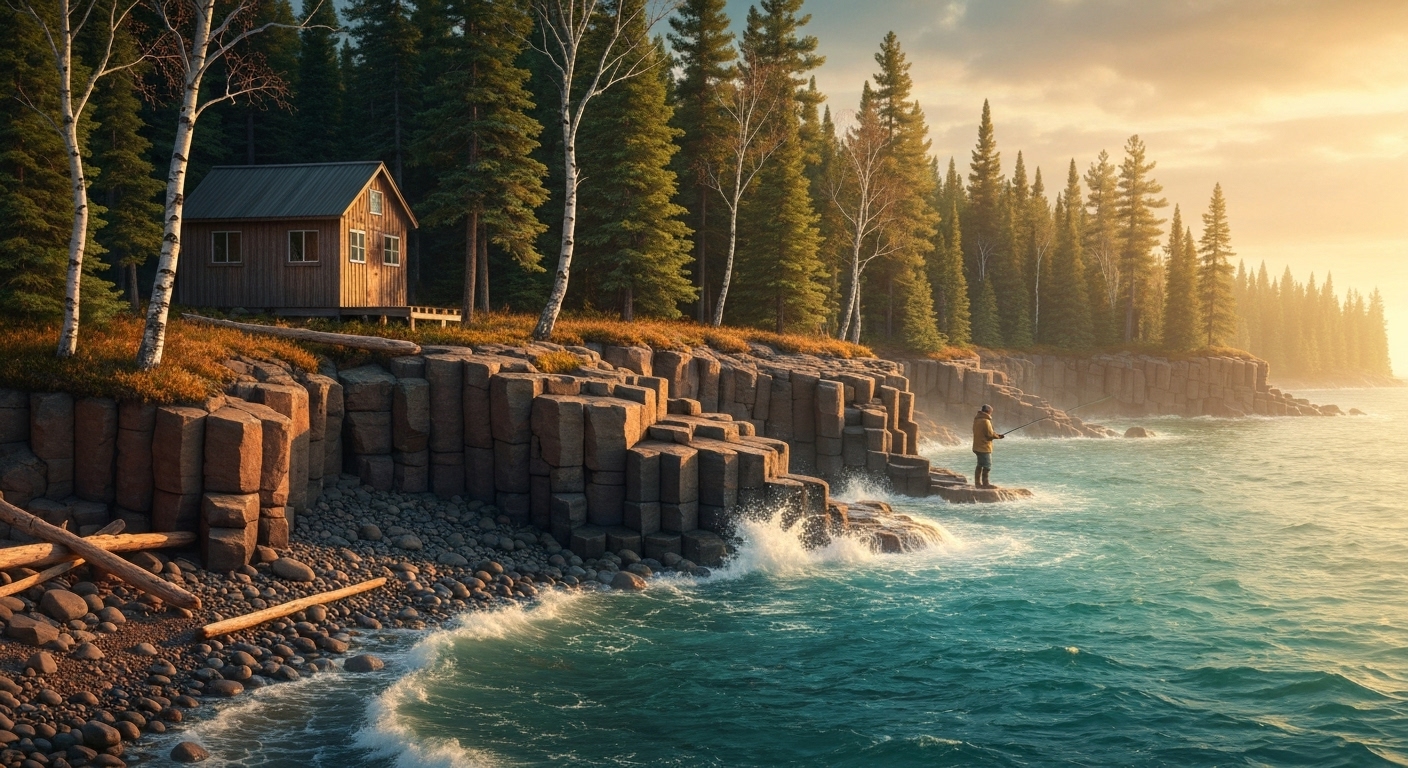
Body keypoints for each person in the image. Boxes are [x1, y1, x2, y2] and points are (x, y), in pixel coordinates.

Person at [972, 404, 1004, 488]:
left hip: (976, 446)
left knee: (979, 465)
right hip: (984, 447)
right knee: (987, 465)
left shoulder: (977, 419)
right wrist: (998, 436)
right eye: (991, 412)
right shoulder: (986, 421)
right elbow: (989, 434)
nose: (991, 414)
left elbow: (983, 432)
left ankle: (977, 483)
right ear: (988, 412)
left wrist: (995, 435)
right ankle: (985, 483)